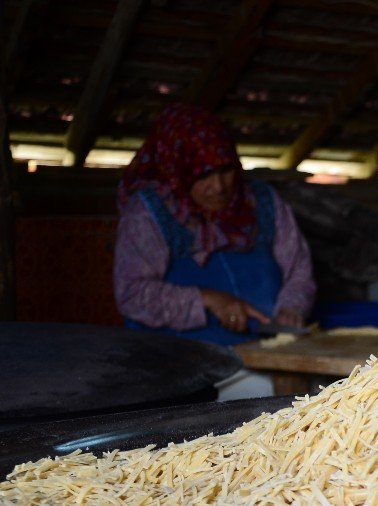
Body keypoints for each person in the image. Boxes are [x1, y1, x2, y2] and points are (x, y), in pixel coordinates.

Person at [113, 104, 315, 348]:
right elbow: (132, 294)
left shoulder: (263, 202)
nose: (219, 186)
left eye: (226, 170)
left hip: (264, 348)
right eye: (203, 175)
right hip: (176, 357)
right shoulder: (147, 214)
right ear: (177, 171)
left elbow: (298, 270)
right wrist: (207, 300)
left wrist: (291, 308)